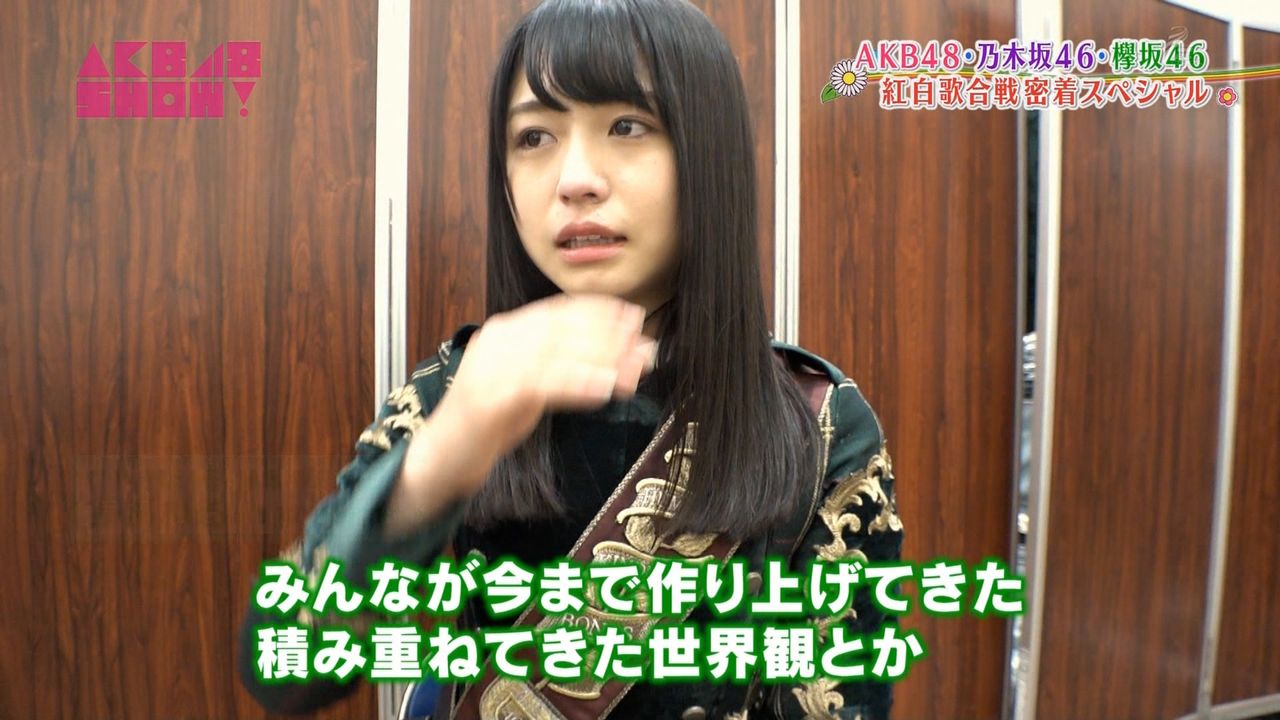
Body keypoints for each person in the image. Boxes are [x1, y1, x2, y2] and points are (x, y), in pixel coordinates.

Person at [238, 0, 903, 717]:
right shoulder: (465, 386)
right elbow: (284, 665)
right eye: (534, 137)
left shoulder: (817, 423)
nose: (574, 178)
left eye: (627, 126)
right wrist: (442, 461)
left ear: (708, 156)